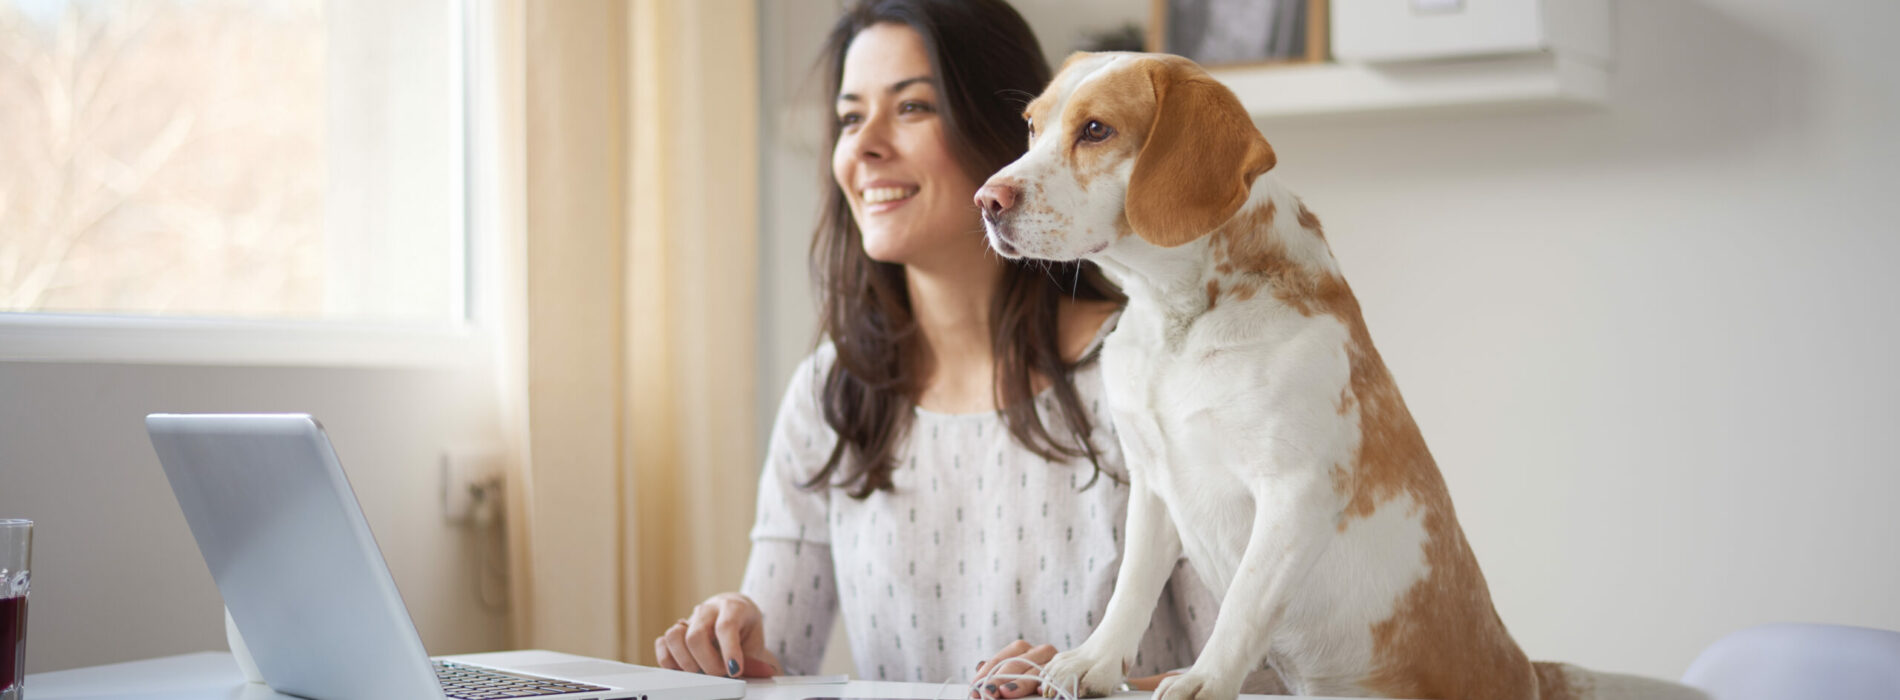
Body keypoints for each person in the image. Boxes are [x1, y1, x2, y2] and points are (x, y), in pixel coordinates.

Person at [654, 0, 1276, 695]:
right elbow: (776, 664)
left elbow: (1262, 683)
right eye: (851, 116)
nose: (864, 147)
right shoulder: (833, 391)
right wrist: (733, 637)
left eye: (913, 108)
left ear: (1007, 136)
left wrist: (1086, 685)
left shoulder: (1155, 378)